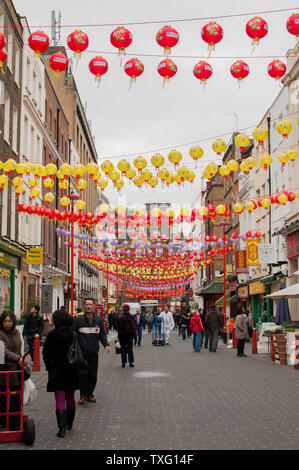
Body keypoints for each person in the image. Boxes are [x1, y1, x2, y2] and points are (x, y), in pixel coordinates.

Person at [42, 310, 79, 438]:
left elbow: (46, 353)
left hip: (56, 370)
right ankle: (70, 422)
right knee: (70, 397)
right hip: (71, 369)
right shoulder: (73, 334)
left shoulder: (52, 335)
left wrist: (50, 366)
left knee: (59, 399)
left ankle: (61, 428)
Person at [72, 298, 110, 404]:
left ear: (93, 306)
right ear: (84, 306)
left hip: (94, 352)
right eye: (87, 304)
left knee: (93, 375)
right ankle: (83, 395)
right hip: (82, 353)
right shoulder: (78, 320)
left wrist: (106, 345)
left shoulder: (98, 320)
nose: (89, 306)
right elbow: (72, 333)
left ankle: (90, 394)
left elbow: (102, 334)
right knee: (82, 374)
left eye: (90, 304)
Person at [0, 311, 23, 431]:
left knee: (15, 396)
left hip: (15, 371)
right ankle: (3, 421)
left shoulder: (16, 332)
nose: (7, 324)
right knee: (2, 397)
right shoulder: (0, 334)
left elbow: (19, 347)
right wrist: (18, 358)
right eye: (5, 321)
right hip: (3, 371)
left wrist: (21, 359)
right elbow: (4, 351)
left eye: (9, 321)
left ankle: (14, 421)